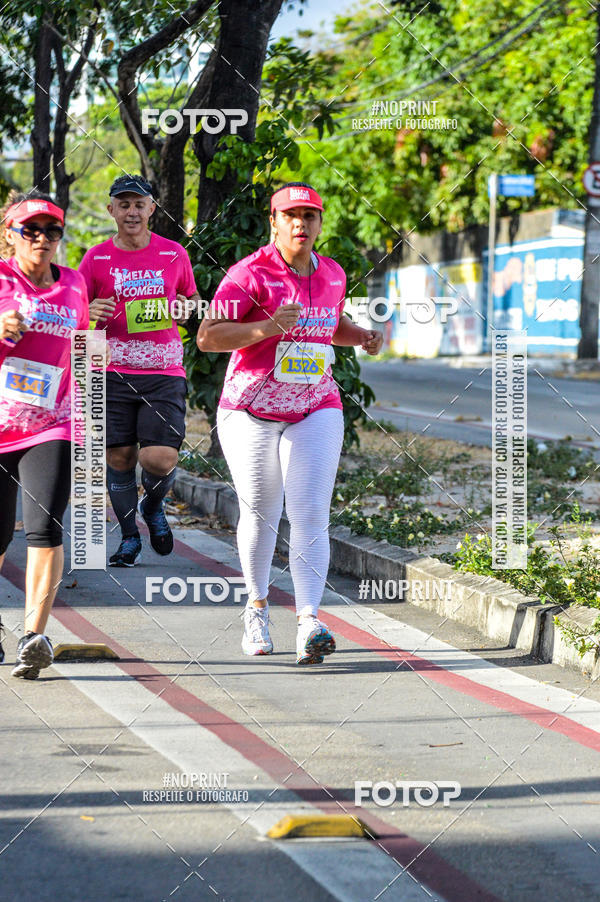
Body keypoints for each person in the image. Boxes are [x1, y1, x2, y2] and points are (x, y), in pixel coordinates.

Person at [197, 182, 383, 664]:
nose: (301, 224)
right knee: (260, 510)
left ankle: (309, 621)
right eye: (291, 215)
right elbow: (207, 336)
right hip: (250, 410)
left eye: (310, 216)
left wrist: (359, 335)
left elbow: (328, 324)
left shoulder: (333, 273)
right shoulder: (248, 274)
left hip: (315, 404)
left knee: (310, 513)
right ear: (274, 223)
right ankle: (256, 608)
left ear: (320, 224)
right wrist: (266, 327)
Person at [79, 175, 199, 567]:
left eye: (139, 204)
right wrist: (89, 315)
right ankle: (130, 537)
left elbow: (192, 298)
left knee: (159, 459)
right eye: (124, 204)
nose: (132, 211)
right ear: (111, 209)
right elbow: (75, 314)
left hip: (163, 370)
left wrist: (186, 307)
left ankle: (153, 506)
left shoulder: (173, 254)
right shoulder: (95, 258)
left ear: (152, 209)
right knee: (119, 457)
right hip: (111, 370)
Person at [0, 190, 90, 679]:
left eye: (51, 230)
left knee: (44, 527)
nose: (41, 239)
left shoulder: (74, 286)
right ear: (9, 234)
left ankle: (34, 636)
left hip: (51, 424)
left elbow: (82, 353)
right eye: (30, 230)